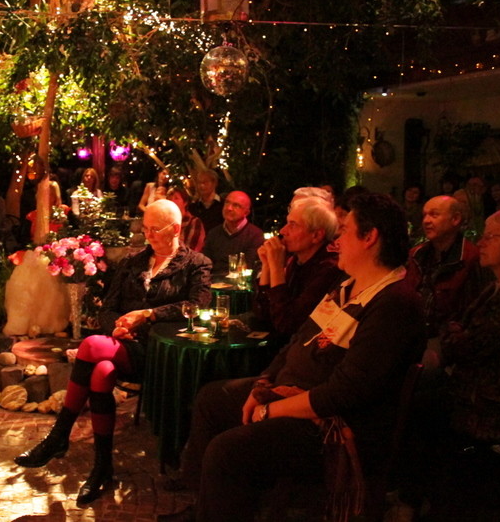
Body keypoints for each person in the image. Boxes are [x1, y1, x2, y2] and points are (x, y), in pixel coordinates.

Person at [159, 193, 425, 522]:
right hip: (295, 393)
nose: (337, 241)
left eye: (344, 231)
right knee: (212, 399)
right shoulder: (348, 285)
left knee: (227, 450)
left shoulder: (394, 303)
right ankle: (205, 507)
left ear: (370, 237)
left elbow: (344, 393)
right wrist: (263, 385)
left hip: (333, 428)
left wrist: (269, 410)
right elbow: (297, 340)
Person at [14, 200, 212, 506]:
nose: (147, 235)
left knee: (92, 347)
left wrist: (148, 314)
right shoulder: (133, 262)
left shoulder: (196, 263)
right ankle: (102, 466)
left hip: (159, 351)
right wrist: (116, 328)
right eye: (144, 228)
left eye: (154, 229)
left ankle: (59, 436)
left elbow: (197, 305)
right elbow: (107, 309)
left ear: (175, 229)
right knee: (101, 372)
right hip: (121, 345)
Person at [394, 209, 500, 520]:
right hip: (472, 387)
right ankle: (410, 497)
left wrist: (452, 332)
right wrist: (454, 332)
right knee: (411, 394)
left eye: (491, 237)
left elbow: (465, 344)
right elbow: (459, 330)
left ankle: (412, 500)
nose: (481, 243)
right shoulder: (497, 286)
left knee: (416, 404)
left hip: (494, 405)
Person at [253, 196, 343, 340]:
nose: (283, 231)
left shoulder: (329, 269)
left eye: (293, 225)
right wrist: (267, 265)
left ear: (316, 235)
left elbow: (288, 325)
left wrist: (277, 268)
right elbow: (263, 315)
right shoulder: (295, 260)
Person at [404, 196, 484, 345]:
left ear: (455, 219)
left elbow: (472, 314)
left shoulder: (470, 258)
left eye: (434, 215)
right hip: (411, 333)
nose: (426, 221)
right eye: (424, 215)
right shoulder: (416, 254)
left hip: (446, 342)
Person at [202, 191, 264, 277]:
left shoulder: (255, 235)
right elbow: (205, 265)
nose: (229, 208)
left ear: (246, 212)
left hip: (240, 283)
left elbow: (248, 268)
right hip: (213, 282)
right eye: (227, 202)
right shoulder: (213, 233)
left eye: (236, 205)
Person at [167, 186, 206, 252]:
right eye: (169, 199)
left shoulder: (194, 222)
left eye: (176, 198)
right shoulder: (165, 222)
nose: (172, 201)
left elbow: (191, 251)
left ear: (185, 202)